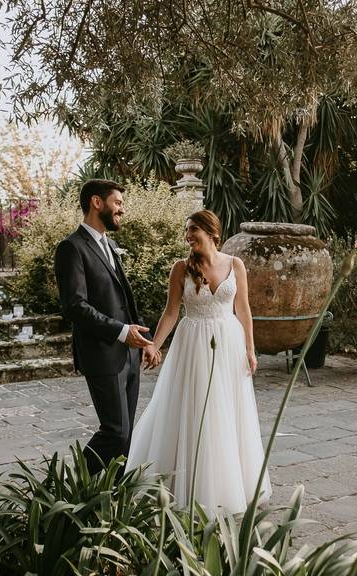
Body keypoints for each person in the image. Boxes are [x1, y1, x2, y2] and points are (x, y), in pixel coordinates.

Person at [126, 209, 271, 517]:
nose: (188, 235)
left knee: (229, 412)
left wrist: (250, 348)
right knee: (195, 410)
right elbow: (170, 312)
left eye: (193, 230)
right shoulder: (181, 268)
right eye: (187, 231)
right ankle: (191, 483)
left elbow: (243, 309)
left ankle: (230, 484)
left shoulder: (236, 265)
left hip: (228, 344)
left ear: (211, 232)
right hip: (193, 345)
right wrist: (154, 344)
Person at [54, 179, 161, 475]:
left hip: (129, 355)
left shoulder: (110, 245)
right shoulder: (71, 248)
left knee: (124, 438)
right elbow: (75, 306)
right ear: (96, 203)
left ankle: (111, 499)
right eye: (117, 203)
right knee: (114, 431)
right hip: (101, 353)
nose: (121, 210)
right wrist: (121, 331)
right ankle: (71, 485)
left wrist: (146, 340)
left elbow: (126, 298)